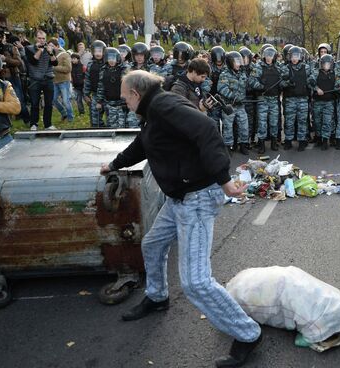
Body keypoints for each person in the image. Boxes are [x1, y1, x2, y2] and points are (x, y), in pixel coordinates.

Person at [102, 70, 262, 368]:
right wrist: (113, 164)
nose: (123, 102)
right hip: (179, 197)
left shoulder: (165, 106)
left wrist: (224, 179)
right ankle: (158, 296)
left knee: (196, 282)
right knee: (152, 243)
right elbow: (143, 144)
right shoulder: (155, 110)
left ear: (136, 93)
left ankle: (248, 334)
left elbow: (208, 130)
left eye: (125, 97)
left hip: (197, 198)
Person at [249, 46, 288, 153]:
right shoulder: (258, 67)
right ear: (263, 56)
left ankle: (274, 142)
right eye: (267, 55)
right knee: (262, 122)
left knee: (274, 121)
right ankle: (261, 143)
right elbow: (251, 81)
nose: (268, 58)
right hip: (263, 98)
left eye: (271, 55)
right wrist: (261, 86)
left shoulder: (278, 67)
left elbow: (282, 81)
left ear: (274, 56)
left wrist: (287, 83)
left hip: (274, 98)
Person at [24, 30, 58, 130]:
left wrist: (51, 53)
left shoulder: (50, 48)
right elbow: (33, 61)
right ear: (35, 38)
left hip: (48, 79)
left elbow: (55, 63)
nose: (42, 40)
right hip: (35, 79)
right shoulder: (29, 48)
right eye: (39, 38)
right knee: (35, 103)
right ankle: (33, 123)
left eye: (43, 38)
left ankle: (48, 124)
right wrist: (40, 50)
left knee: (49, 103)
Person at [218, 51, 250, 154]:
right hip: (229, 105)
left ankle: (243, 145)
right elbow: (221, 88)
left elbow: (247, 85)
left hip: (240, 106)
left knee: (244, 126)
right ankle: (228, 146)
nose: (239, 64)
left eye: (239, 61)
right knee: (228, 127)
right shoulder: (224, 74)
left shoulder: (242, 73)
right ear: (230, 63)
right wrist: (233, 97)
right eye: (236, 62)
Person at [282, 46, 313, 151]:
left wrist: (311, 83)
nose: (294, 58)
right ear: (289, 57)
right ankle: (288, 141)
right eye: (292, 56)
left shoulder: (306, 67)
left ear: (300, 57)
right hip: (290, 99)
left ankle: (302, 141)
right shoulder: (285, 68)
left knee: (302, 121)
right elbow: (280, 82)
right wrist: (287, 83)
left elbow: (311, 79)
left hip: (303, 99)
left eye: (296, 56)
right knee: (289, 121)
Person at [308, 54, 338, 150]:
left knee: (327, 121)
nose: (326, 66)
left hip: (329, 101)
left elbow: (339, 83)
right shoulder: (316, 72)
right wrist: (317, 89)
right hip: (317, 101)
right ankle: (319, 138)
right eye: (324, 64)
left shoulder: (335, 73)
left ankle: (325, 140)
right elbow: (309, 81)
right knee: (317, 121)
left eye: (328, 64)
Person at [96, 47, 129, 128]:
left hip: (121, 103)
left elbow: (127, 86)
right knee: (111, 125)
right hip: (109, 103)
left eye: (113, 58)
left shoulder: (124, 69)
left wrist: (126, 101)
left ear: (117, 58)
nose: (111, 60)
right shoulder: (103, 70)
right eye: (109, 58)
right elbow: (101, 86)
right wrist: (99, 101)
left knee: (122, 126)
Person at [84, 40, 106, 127]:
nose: (98, 53)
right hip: (95, 94)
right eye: (96, 51)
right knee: (95, 118)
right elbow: (87, 80)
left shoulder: (108, 63)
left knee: (111, 119)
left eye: (100, 51)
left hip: (107, 95)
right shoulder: (90, 64)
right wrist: (86, 94)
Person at [52, 38, 74, 123]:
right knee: (53, 99)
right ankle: (64, 113)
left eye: (52, 46)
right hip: (54, 81)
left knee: (65, 101)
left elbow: (68, 68)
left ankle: (70, 118)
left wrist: (54, 68)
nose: (50, 48)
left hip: (64, 81)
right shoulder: (50, 55)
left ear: (57, 46)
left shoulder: (64, 55)